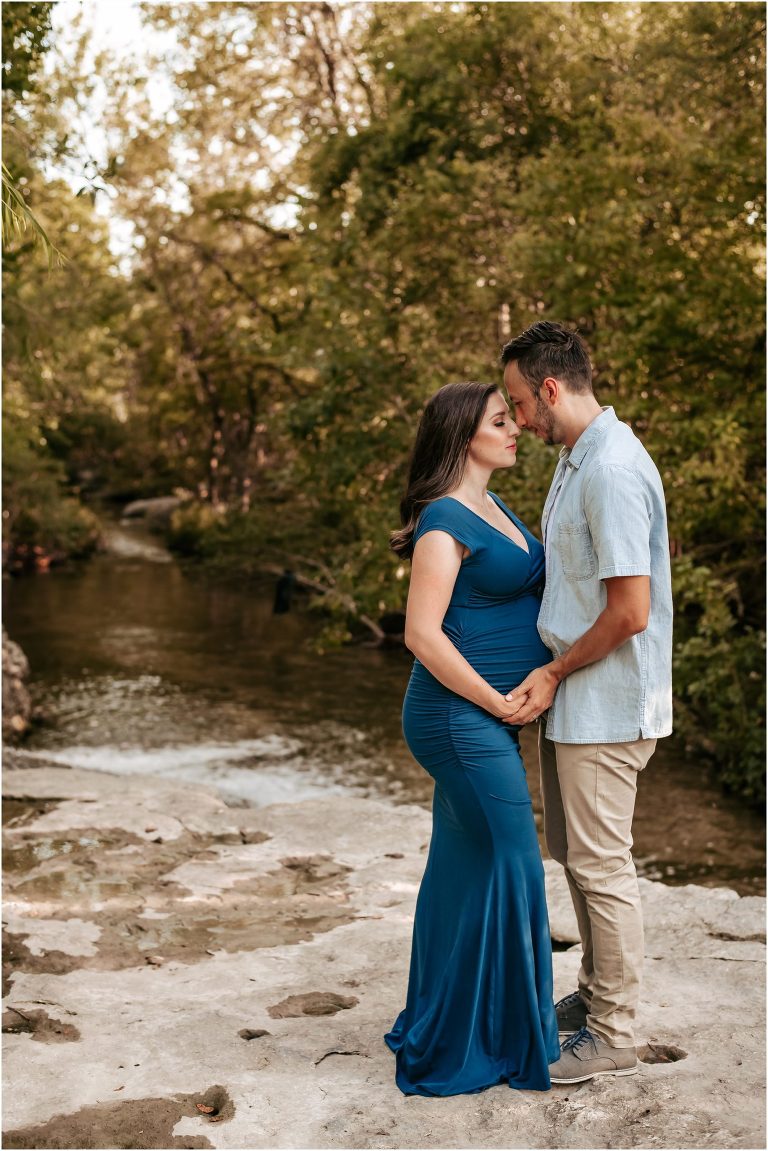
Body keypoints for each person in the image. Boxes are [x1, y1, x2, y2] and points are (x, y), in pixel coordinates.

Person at [500, 321, 673, 1085]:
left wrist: (558, 669)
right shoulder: (576, 458)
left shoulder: (611, 469)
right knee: (574, 855)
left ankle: (617, 1031)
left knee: (603, 864)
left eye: (516, 403)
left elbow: (631, 609)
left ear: (548, 388)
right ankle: (598, 994)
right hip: (573, 698)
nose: (515, 420)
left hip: (603, 701)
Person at [385, 381, 560, 1096]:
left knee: (461, 869)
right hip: (458, 718)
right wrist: (494, 700)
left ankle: (442, 1018)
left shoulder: (494, 506)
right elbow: (419, 633)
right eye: (499, 420)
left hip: (483, 717)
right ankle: (505, 1037)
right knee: (517, 860)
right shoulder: (443, 520)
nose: (516, 426)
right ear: (463, 437)